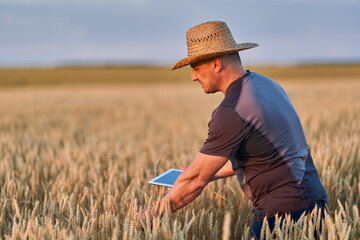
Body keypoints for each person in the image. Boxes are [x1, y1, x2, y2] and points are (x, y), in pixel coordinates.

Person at [142, 21, 327, 239]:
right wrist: (207, 172)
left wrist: (152, 214)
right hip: (313, 203)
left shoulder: (232, 110)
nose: (193, 77)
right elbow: (264, 154)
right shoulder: (267, 85)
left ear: (216, 64)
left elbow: (194, 181)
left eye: (196, 68)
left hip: (281, 216)